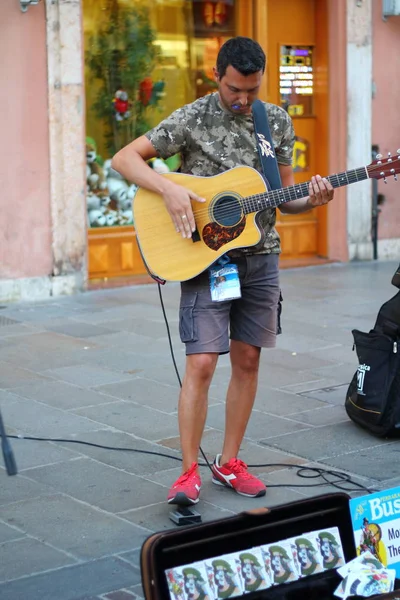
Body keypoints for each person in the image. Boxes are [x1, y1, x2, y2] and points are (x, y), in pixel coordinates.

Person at [111, 36, 334, 505]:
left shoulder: (274, 121)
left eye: (251, 89)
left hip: (261, 254)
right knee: (202, 363)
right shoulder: (192, 117)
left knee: (249, 360)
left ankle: (229, 462)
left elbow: (284, 197)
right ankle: (188, 471)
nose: (243, 99)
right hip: (206, 258)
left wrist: (312, 198)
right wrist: (167, 189)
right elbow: (124, 158)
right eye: (235, 89)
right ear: (218, 76)